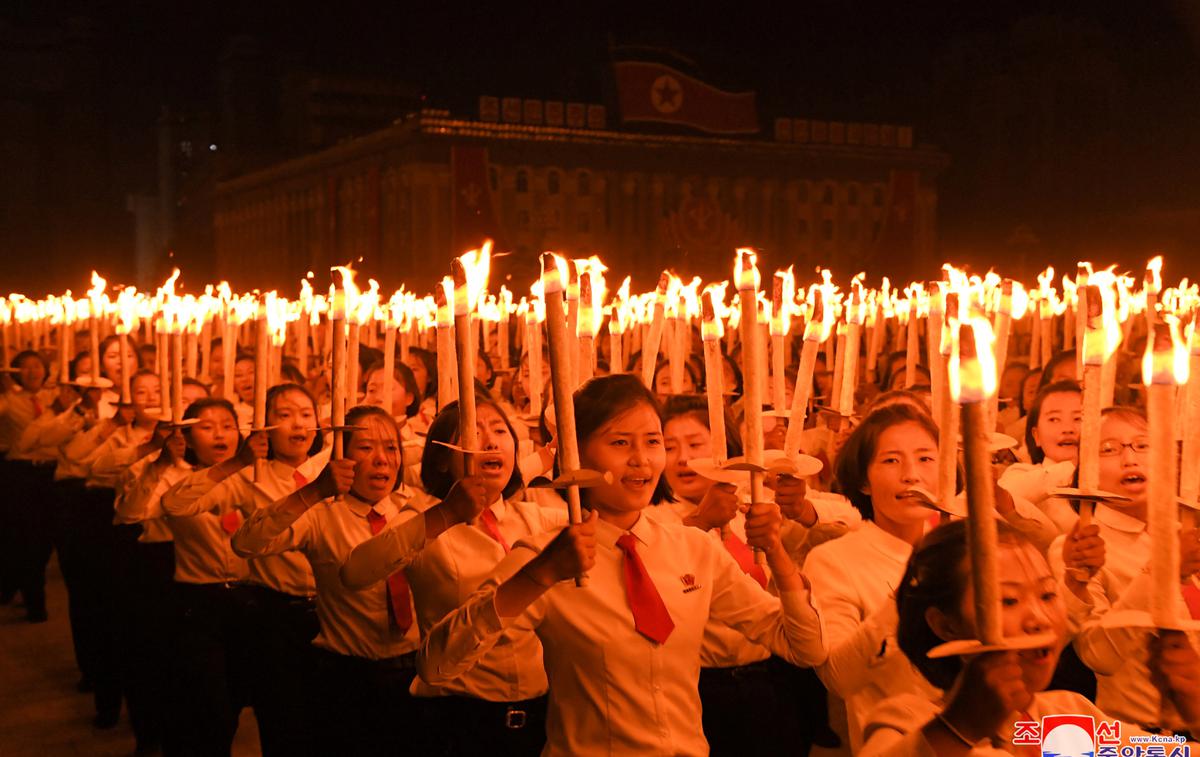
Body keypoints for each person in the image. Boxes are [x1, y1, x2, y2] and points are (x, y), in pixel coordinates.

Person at [419, 374, 826, 756]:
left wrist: (775, 551)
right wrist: (538, 577)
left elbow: (803, 647)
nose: (641, 460)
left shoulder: (692, 548)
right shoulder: (547, 556)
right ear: (576, 454)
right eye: (619, 443)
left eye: (652, 442)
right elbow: (437, 665)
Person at [232, 404, 488, 755]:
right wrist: (313, 492)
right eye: (366, 449)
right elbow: (246, 543)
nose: (382, 460)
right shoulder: (322, 514)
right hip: (346, 676)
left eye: (391, 448)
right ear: (341, 456)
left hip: (415, 671)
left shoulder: (421, 508)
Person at [341, 398, 566, 755]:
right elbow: (355, 572)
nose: (491, 441)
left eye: (499, 431)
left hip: (539, 716)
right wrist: (446, 515)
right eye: (474, 432)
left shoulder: (534, 519)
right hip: (457, 716)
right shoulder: (425, 515)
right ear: (442, 457)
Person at [860, 519, 1200, 753]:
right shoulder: (908, 720)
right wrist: (958, 727)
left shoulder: (1064, 722)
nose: (1038, 619)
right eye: (1008, 600)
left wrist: (1196, 710)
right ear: (946, 625)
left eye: (1048, 595)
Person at [177, 383, 329, 756]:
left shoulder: (333, 470)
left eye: (306, 414)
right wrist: (237, 462)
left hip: (331, 613)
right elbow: (178, 503)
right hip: (272, 613)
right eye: (284, 414)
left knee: (327, 721)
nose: (298, 423)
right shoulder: (252, 477)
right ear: (264, 427)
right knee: (281, 719)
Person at [1052, 406, 1200, 732]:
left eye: (1142, 445)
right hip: (1140, 737)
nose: (1129, 459)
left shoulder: (1186, 533)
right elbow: (1098, 656)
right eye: (1109, 449)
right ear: (1085, 471)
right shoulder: (1079, 548)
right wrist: (1164, 569)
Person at [159, 398, 252, 756]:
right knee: (210, 704)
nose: (219, 434)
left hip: (246, 601)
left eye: (228, 425)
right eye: (207, 426)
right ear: (188, 435)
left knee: (237, 697)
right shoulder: (181, 479)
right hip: (199, 601)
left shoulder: (254, 479)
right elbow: (174, 502)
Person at [0, 350, 56, 621]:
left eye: (38, 366)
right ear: (15, 372)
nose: (33, 372)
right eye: (26, 367)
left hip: (51, 474)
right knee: (24, 537)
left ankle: (17, 584)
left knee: (43, 539)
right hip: (20, 473)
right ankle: (35, 599)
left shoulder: (55, 397)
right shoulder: (10, 400)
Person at [998, 381, 1082, 533]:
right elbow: (1005, 496)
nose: (1068, 429)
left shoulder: (1108, 483)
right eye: (1054, 419)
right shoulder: (1021, 473)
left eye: (1078, 418)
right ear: (1036, 435)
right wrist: (1073, 466)